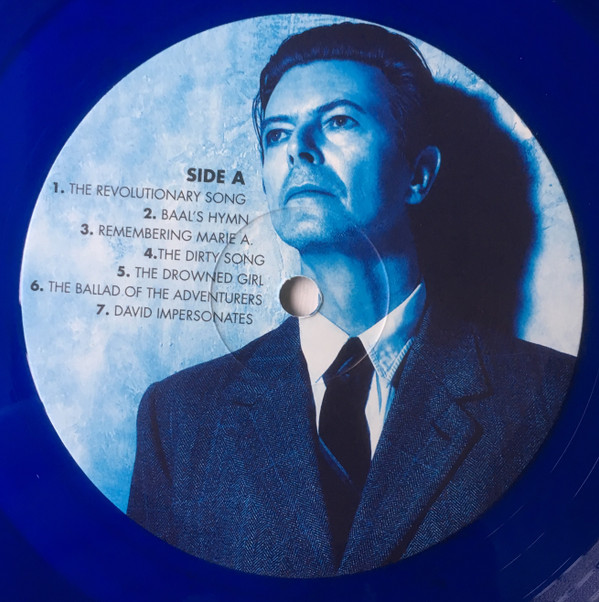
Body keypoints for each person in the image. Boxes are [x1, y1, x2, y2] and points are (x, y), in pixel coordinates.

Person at [127, 22, 575, 577]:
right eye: (277, 133)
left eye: (339, 121)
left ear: (419, 175)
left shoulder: (549, 397)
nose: (298, 150)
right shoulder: (177, 418)